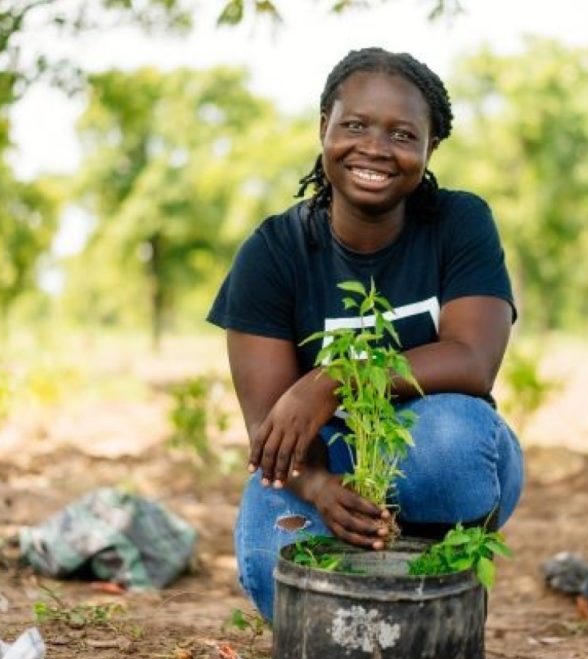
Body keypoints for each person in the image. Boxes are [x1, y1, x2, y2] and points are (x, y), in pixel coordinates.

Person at [207, 47, 524, 621]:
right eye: (354, 125)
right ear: (323, 127)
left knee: (454, 443)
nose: (375, 147)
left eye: (403, 134)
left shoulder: (458, 222)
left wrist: (335, 378)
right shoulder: (273, 252)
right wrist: (320, 490)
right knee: (274, 565)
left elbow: (473, 360)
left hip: (429, 448)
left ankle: (439, 593)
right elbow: (270, 431)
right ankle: (373, 619)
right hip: (321, 459)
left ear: (431, 148)